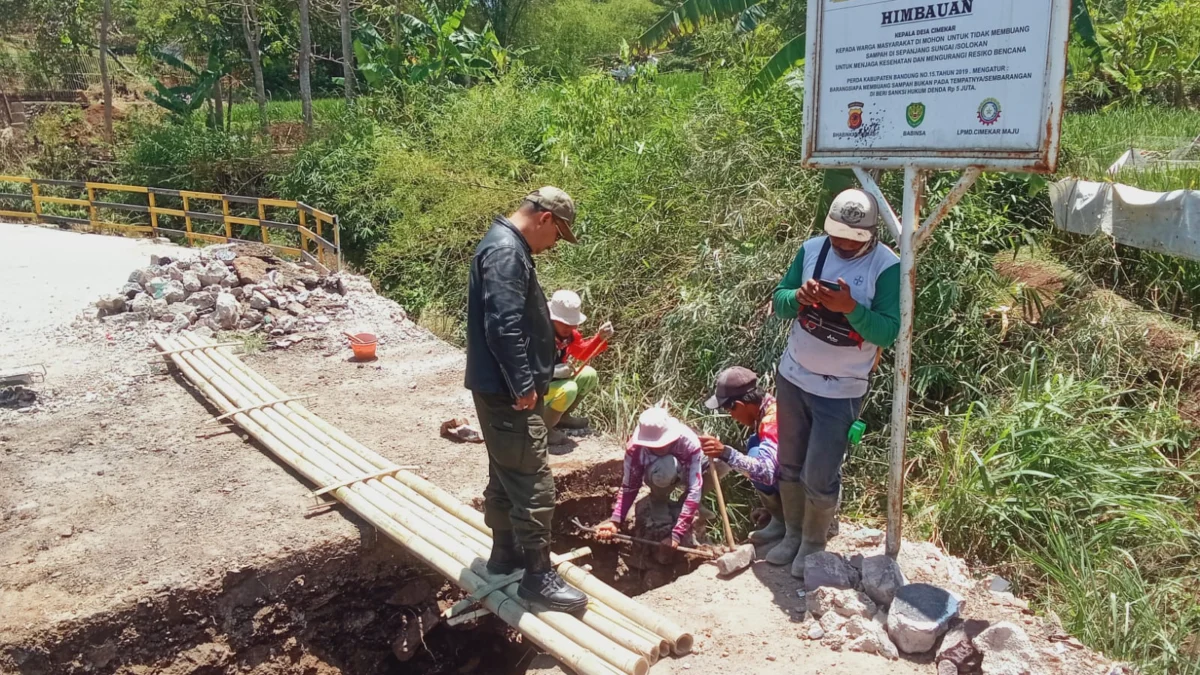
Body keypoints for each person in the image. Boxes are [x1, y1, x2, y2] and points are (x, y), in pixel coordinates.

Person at [464, 186, 588, 612]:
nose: (553, 247)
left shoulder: (503, 245)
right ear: (546, 219)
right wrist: (523, 384)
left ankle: (503, 556)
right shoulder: (506, 253)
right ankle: (537, 576)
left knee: (505, 472)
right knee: (534, 482)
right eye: (556, 237)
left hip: (496, 390)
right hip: (507, 393)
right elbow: (503, 324)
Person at [768, 188, 900, 578]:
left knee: (820, 471)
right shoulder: (812, 250)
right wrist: (799, 297)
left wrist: (851, 309)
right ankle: (793, 534)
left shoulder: (886, 268)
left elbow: (889, 331)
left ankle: (814, 544)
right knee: (788, 461)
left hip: (841, 388)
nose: (839, 243)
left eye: (848, 238)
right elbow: (778, 300)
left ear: (868, 235)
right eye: (835, 234)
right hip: (794, 375)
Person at [594, 407, 707, 548]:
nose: (659, 448)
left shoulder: (688, 442)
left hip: (687, 472)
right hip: (662, 475)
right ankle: (659, 500)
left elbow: (694, 489)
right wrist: (616, 520)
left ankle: (682, 504)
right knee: (666, 467)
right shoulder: (635, 449)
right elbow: (630, 486)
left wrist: (677, 534)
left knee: (720, 464)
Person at [697, 366, 784, 545]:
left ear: (739, 405)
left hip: (806, 490)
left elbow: (765, 472)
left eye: (730, 411)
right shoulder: (770, 405)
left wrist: (725, 453)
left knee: (755, 450)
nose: (732, 416)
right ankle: (779, 514)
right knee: (754, 441)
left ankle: (785, 522)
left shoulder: (771, 422)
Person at [545, 290, 614, 445]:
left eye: (571, 323)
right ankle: (543, 429)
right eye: (564, 323)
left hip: (552, 384)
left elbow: (581, 353)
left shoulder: (570, 335)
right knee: (568, 388)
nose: (568, 327)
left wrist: (600, 338)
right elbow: (524, 368)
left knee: (588, 375)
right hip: (536, 387)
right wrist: (552, 372)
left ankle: (561, 417)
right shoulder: (538, 334)